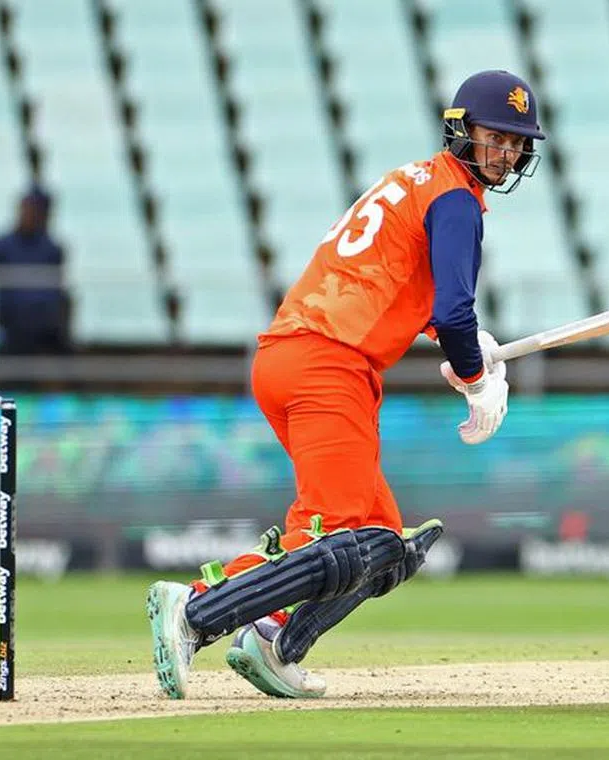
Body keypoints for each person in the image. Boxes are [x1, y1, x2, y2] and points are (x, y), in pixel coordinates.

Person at [146, 69, 546, 700]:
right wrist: (475, 378)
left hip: (299, 357)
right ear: (461, 131)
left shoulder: (416, 181)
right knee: (337, 534)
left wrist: (463, 344)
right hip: (326, 365)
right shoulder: (457, 201)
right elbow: (452, 309)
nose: (504, 154)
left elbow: (391, 282)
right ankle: (196, 608)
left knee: (384, 545)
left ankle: (273, 639)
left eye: (515, 143)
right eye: (494, 137)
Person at [0, 186, 70, 355]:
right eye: (28, 208)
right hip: (12, 324)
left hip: (45, 324)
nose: (31, 214)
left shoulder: (52, 248)